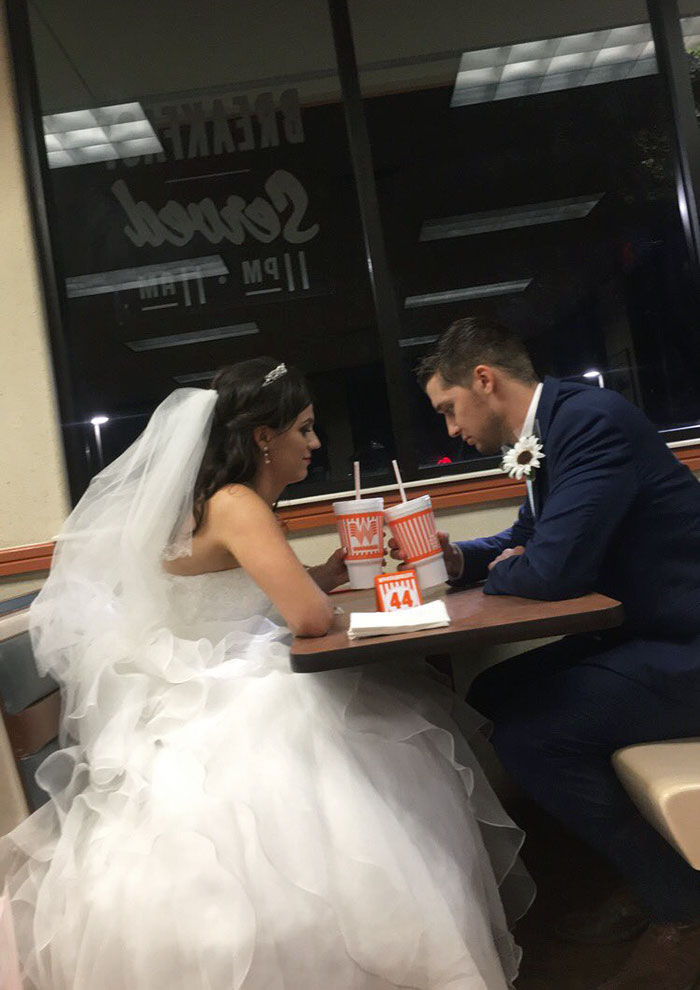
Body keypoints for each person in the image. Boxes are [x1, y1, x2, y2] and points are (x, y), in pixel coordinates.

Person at [0, 357, 533, 990]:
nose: (313, 444)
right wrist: (332, 604)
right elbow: (307, 621)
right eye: (303, 430)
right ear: (262, 437)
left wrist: (325, 579)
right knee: (372, 755)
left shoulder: (205, 502)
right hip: (230, 684)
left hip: (188, 685)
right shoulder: (238, 504)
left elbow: (232, 597)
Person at [404, 317, 700, 990]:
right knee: (492, 693)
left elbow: (552, 569)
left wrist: (519, 563)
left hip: (687, 642)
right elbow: (532, 538)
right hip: (651, 633)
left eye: (449, 410)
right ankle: (635, 864)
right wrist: (462, 559)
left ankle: (680, 905)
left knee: (534, 739)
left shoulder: (589, 421)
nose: (451, 429)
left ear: (484, 381)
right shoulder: (552, 429)